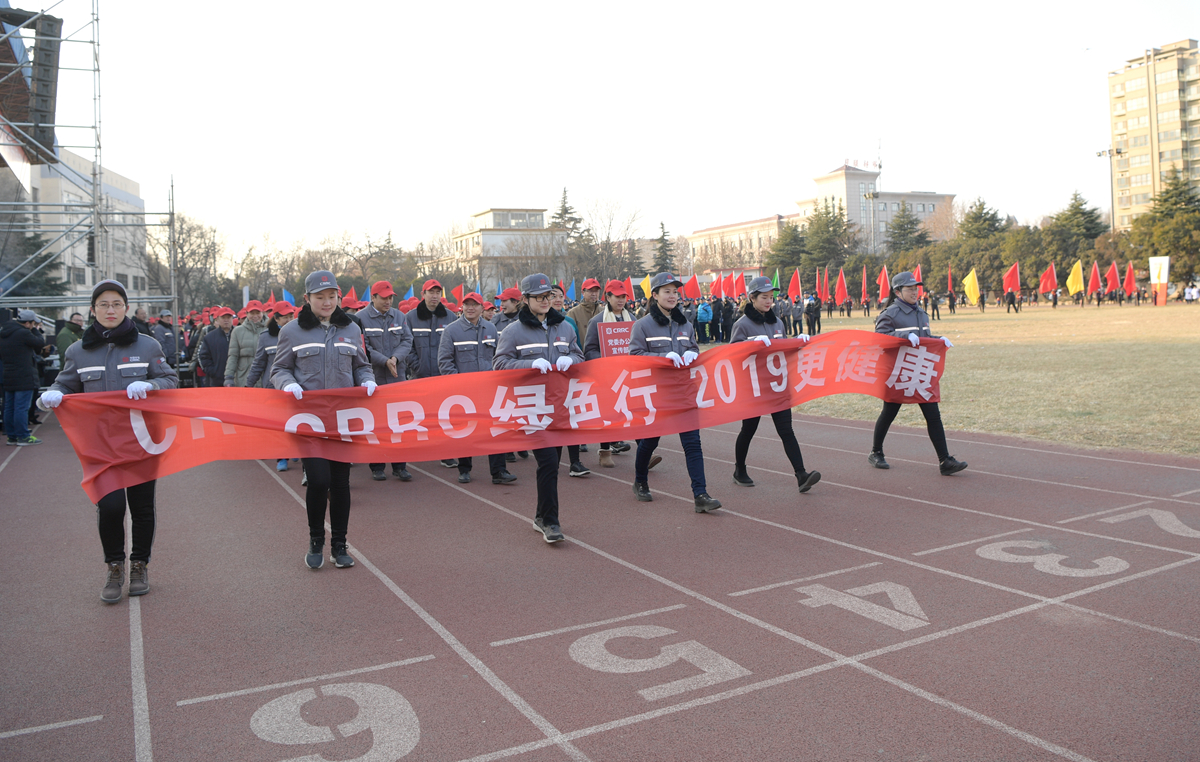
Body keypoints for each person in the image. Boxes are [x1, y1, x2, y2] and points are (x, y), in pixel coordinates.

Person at [37, 280, 178, 602]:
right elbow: (65, 384)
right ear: (93, 310)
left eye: (116, 304)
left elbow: (170, 379)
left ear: (125, 308)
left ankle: (139, 564)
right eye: (103, 304)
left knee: (142, 507)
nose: (110, 310)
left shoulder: (147, 346)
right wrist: (52, 394)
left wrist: (152, 385)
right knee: (111, 507)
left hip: (142, 441)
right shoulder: (77, 351)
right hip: (100, 445)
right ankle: (114, 565)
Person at [272, 270, 375, 570]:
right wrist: (288, 384)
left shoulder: (351, 329)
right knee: (319, 480)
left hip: (342, 419)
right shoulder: (291, 331)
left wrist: (367, 379)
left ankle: (339, 545)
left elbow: (361, 365)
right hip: (310, 420)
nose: (327, 302)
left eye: (332, 296)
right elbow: (279, 369)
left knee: (341, 483)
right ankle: (316, 538)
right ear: (307, 298)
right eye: (320, 297)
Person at [493, 272, 584, 543]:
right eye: (539, 297)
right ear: (526, 299)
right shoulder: (513, 331)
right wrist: (529, 364)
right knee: (548, 462)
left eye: (549, 296)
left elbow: (578, 355)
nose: (546, 301)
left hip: (559, 406)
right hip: (531, 407)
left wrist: (571, 359)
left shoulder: (565, 327)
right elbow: (500, 364)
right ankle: (551, 522)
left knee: (551, 464)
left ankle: (540, 516)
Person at [629, 272, 721, 513]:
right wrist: (662, 357)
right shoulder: (642, 325)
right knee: (650, 441)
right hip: (657, 394)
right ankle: (640, 481)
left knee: (693, 443)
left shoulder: (686, 324)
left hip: (683, 392)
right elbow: (635, 356)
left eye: (675, 292)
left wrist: (693, 352)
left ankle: (700, 494)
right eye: (667, 291)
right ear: (655, 295)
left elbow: (693, 348)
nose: (672, 296)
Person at [868, 271, 967, 476]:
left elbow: (923, 338)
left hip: (919, 372)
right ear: (898, 292)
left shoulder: (921, 313)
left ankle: (945, 460)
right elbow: (879, 339)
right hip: (898, 373)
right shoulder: (890, 314)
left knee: (933, 414)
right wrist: (905, 335)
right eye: (910, 289)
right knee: (889, 413)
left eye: (916, 289)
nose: (915, 292)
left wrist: (939, 339)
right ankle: (876, 452)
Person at [728, 277, 821, 493]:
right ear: (752, 298)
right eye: (764, 297)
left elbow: (783, 351)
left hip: (778, 386)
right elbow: (732, 354)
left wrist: (799, 343)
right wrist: (751, 344)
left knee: (786, 430)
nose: (769, 301)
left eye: (771, 297)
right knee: (748, 430)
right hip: (754, 388)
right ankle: (739, 470)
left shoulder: (778, 322)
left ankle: (801, 475)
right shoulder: (741, 324)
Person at [438, 291, 516, 485]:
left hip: (489, 389)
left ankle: (499, 471)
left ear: (482, 308)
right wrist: (458, 384)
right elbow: (445, 361)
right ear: (462, 307)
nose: (470, 308)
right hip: (464, 391)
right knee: (465, 430)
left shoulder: (491, 328)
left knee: (495, 428)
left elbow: (498, 356)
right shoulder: (451, 330)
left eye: (475, 304)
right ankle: (464, 469)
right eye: (467, 304)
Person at [358, 280, 415, 482]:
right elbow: (362, 347)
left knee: (398, 423)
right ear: (373, 297)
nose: (388, 301)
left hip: (396, 377)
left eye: (390, 297)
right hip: (373, 378)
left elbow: (407, 340)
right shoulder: (361, 318)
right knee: (376, 424)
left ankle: (400, 466)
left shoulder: (399, 316)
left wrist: (395, 359)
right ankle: (377, 465)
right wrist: (384, 361)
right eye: (384, 298)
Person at [582, 279, 636, 468]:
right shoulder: (597, 321)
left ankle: (646, 451)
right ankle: (605, 451)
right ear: (608, 297)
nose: (621, 300)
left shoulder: (633, 320)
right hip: (606, 376)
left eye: (623, 296)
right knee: (607, 413)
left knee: (635, 411)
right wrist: (605, 361)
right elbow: (589, 350)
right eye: (617, 296)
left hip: (628, 375)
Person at [405, 279, 457, 469]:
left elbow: (455, 346)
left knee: (444, 417)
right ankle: (420, 449)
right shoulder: (411, 318)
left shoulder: (450, 317)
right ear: (423, 294)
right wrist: (417, 366)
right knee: (420, 416)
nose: (434, 296)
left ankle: (446, 453)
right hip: (420, 376)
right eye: (431, 292)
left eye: (437, 292)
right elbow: (406, 344)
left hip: (443, 377)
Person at [550, 285, 590, 477]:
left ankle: (575, 462)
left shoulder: (569, 322)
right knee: (555, 423)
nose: (558, 299)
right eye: (553, 296)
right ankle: (552, 465)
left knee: (571, 418)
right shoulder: (537, 324)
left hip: (568, 379)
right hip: (547, 384)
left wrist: (573, 361)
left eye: (561, 296)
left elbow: (578, 350)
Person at [1, 309, 46, 446]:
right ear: (27, 323)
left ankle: (11, 436)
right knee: (21, 407)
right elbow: (40, 343)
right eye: (33, 324)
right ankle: (23, 436)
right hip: (24, 375)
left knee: (9, 407)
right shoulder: (24, 333)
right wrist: (36, 330)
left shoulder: (4, 332)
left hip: (8, 374)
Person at [224, 300, 267, 387]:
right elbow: (233, 356)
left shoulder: (270, 329)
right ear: (247, 314)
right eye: (252, 313)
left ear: (262, 313)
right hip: (244, 378)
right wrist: (229, 376)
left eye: (258, 313)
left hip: (266, 379)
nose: (255, 316)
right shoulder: (237, 331)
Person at [197, 307, 234, 386]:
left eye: (228, 317)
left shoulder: (239, 335)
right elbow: (203, 357)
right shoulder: (209, 337)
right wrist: (213, 372)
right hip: (216, 381)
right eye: (223, 317)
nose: (226, 320)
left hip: (237, 379)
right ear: (217, 319)